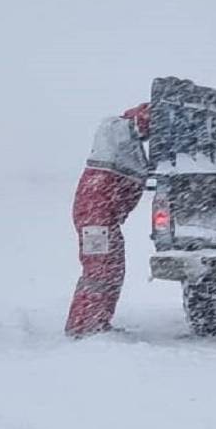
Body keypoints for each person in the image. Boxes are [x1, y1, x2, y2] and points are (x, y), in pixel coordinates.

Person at [65, 104, 151, 338]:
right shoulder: (115, 131)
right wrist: (157, 113)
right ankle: (85, 326)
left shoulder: (121, 145)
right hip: (97, 220)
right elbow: (137, 124)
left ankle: (93, 322)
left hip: (102, 219)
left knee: (109, 269)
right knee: (100, 270)